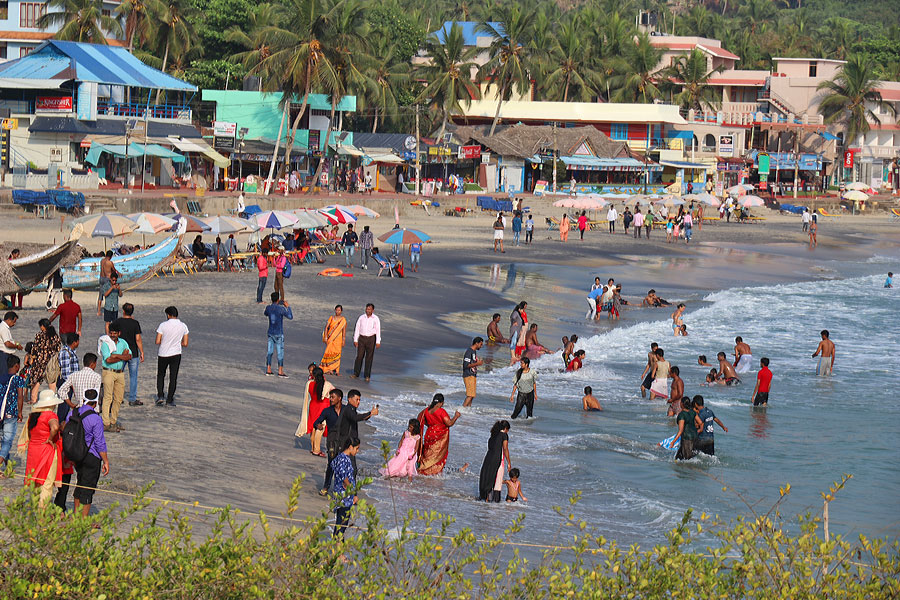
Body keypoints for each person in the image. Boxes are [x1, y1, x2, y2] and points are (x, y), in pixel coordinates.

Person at [67, 388, 109, 516]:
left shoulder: (73, 413)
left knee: (80, 483)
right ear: (95, 403)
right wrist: (106, 461)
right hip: (91, 456)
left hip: (76, 454)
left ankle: (76, 516)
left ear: (84, 399)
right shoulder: (95, 418)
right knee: (88, 488)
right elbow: (99, 443)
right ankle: (83, 519)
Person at [20, 389, 63, 506]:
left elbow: (30, 434)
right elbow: (55, 427)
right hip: (46, 450)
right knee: (47, 483)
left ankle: (36, 505)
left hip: (33, 451)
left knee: (36, 481)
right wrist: (50, 439)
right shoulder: (50, 415)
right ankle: (42, 510)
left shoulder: (33, 416)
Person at [417, 394, 462, 475]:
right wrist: (456, 416)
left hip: (429, 434)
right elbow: (449, 423)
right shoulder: (441, 411)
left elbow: (423, 421)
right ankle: (431, 472)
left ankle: (423, 469)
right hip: (439, 436)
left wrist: (433, 426)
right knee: (437, 456)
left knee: (428, 454)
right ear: (441, 402)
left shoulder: (426, 411)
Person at [99, 322, 131, 432]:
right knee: (108, 397)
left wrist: (116, 356)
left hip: (120, 373)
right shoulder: (105, 344)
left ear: (119, 333)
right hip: (108, 372)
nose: (112, 335)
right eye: (111, 333)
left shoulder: (123, 342)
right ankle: (106, 423)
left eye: (115, 333)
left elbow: (129, 356)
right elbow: (108, 359)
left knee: (118, 398)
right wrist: (122, 356)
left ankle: (113, 421)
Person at [155, 306, 189, 406]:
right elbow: (185, 343)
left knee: (161, 375)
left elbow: (157, 341)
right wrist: (177, 343)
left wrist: (165, 341)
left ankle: (160, 396)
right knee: (173, 377)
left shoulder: (163, 325)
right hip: (176, 353)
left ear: (168, 315)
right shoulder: (183, 326)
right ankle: (170, 399)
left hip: (163, 353)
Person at [113, 303, 143, 407]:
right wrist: (142, 352)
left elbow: (111, 333)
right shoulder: (135, 323)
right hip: (133, 353)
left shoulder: (118, 322)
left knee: (118, 375)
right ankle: (132, 399)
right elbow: (138, 339)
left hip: (120, 353)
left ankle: (118, 397)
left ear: (123, 311)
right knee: (133, 376)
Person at [297, 367, 333, 455]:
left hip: (313, 405)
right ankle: (317, 449)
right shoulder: (327, 384)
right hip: (324, 406)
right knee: (320, 427)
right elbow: (334, 394)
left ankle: (313, 447)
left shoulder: (309, 383)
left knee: (313, 426)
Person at [0, 354, 26, 470]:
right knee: (7, 441)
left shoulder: (1, 378)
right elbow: (20, 396)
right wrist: (20, 412)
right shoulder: (18, 379)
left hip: (1, 413)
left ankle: (7, 466)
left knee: (4, 439)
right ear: (16, 366)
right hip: (11, 414)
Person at [330, 437, 360, 539]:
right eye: (357, 448)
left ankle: (338, 544)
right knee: (342, 521)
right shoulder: (343, 458)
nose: (357, 451)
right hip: (343, 495)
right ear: (350, 447)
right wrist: (349, 487)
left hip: (343, 495)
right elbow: (344, 475)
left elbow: (333, 465)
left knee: (342, 521)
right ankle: (337, 544)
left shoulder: (341, 457)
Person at [478, 420, 511, 503]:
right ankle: (492, 500)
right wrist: (509, 462)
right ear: (505, 428)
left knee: (487, 475)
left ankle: (484, 496)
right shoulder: (504, 435)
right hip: (496, 458)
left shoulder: (493, 435)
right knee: (494, 477)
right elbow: (505, 448)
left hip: (488, 457)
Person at [29, 319, 60, 404]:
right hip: (51, 362)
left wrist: (32, 357)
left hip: (40, 361)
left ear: (43, 326)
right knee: (52, 381)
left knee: (36, 381)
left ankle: (33, 400)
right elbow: (58, 348)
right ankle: (52, 399)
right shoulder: (55, 336)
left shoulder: (39, 335)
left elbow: (35, 348)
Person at [264, 292, 292, 378]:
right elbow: (290, 316)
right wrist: (288, 307)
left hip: (270, 332)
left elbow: (265, 313)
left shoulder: (268, 308)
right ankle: (280, 371)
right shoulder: (281, 309)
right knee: (280, 353)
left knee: (270, 351)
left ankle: (268, 369)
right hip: (278, 333)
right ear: (278, 299)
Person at [351, 303, 380, 382]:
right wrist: (355, 339)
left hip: (371, 339)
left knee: (369, 357)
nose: (368, 310)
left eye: (369, 309)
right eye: (367, 309)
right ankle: (356, 373)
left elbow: (378, 330)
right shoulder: (361, 317)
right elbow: (357, 328)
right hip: (362, 338)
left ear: (373, 310)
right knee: (359, 356)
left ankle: (367, 375)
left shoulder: (375, 318)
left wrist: (378, 341)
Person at [56, 333, 79, 419]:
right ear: (74, 342)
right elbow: (65, 372)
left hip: (69, 382)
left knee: (66, 406)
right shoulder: (65, 352)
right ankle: (60, 422)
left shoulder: (71, 351)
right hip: (65, 382)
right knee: (63, 405)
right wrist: (71, 384)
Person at [320, 305, 346, 376]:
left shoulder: (343, 320)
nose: (337, 312)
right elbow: (326, 327)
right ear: (335, 310)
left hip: (338, 339)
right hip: (330, 338)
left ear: (341, 311)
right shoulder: (331, 318)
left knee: (337, 354)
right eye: (336, 310)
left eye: (339, 310)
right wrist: (325, 337)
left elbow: (344, 330)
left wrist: (343, 340)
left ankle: (337, 370)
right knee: (329, 353)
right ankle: (329, 369)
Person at [462, 337, 485, 407]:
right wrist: (477, 364)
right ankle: (461, 410)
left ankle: (468, 409)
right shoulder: (469, 351)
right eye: (481, 344)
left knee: (472, 395)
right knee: (470, 395)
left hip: (473, 375)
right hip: (468, 375)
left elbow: (472, 363)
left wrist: (477, 363)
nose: (481, 346)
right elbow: (466, 365)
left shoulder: (474, 352)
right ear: (476, 343)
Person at [97, 250, 115, 316]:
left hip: (101, 278)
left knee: (100, 295)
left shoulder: (102, 261)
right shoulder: (110, 262)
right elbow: (114, 270)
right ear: (111, 256)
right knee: (108, 294)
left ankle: (99, 311)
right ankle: (109, 309)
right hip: (107, 279)